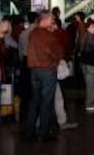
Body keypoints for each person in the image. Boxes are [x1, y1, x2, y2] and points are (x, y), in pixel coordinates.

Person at [26, 11, 64, 142]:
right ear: (46, 19)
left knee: (34, 101)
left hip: (34, 70)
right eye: (52, 19)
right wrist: (56, 60)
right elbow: (57, 51)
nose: (53, 21)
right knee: (46, 102)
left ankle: (30, 131)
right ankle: (43, 132)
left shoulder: (32, 33)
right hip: (47, 70)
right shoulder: (48, 35)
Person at [18, 11, 39, 122]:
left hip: (25, 62)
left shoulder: (23, 34)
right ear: (36, 20)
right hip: (36, 62)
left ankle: (24, 114)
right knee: (36, 90)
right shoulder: (38, 32)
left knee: (25, 90)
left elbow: (20, 52)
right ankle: (35, 116)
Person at [80, 20, 94, 111]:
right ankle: (89, 104)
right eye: (92, 27)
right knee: (91, 85)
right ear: (87, 28)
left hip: (86, 64)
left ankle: (89, 103)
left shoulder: (84, 37)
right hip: (91, 65)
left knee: (90, 85)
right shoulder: (91, 39)